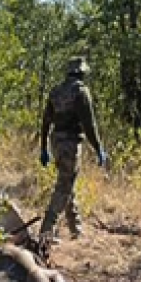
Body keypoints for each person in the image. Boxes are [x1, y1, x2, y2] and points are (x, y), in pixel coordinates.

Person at [39, 57, 107, 250]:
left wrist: (44, 148)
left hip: (56, 142)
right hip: (70, 143)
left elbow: (45, 122)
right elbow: (89, 124)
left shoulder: (56, 91)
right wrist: (98, 148)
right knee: (64, 187)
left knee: (67, 182)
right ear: (81, 73)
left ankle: (75, 229)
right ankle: (46, 231)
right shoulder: (81, 92)